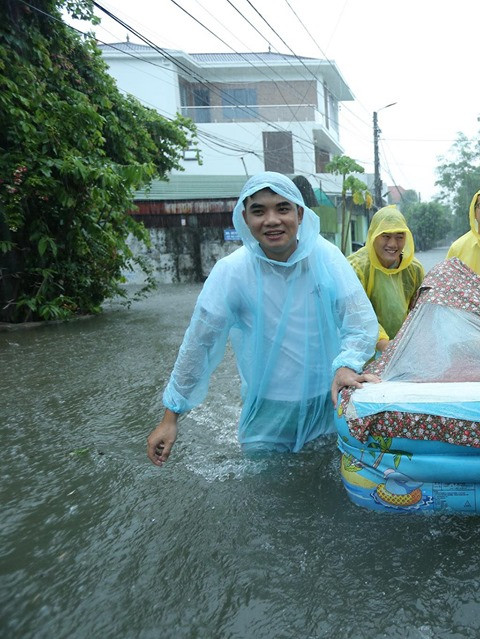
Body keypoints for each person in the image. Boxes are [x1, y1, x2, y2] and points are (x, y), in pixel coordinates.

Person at [147, 172, 380, 465]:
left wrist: (347, 365)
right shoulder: (231, 272)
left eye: (282, 208)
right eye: (259, 211)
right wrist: (171, 416)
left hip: (326, 407)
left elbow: (359, 323)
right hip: (265, 418)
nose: (271, 220)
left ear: (299, 212)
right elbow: (198, 345)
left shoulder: (326, 257)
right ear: (244, 217)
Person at [347, 205, 425, 352]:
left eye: (399, 237)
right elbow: (356, 315)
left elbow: (420, 310)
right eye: (386, 236)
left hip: (403, 350)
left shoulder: (413, 269)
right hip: (363, 353)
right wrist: (384, 345)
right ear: (373, 235)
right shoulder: (356, 268)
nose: (393, 244)